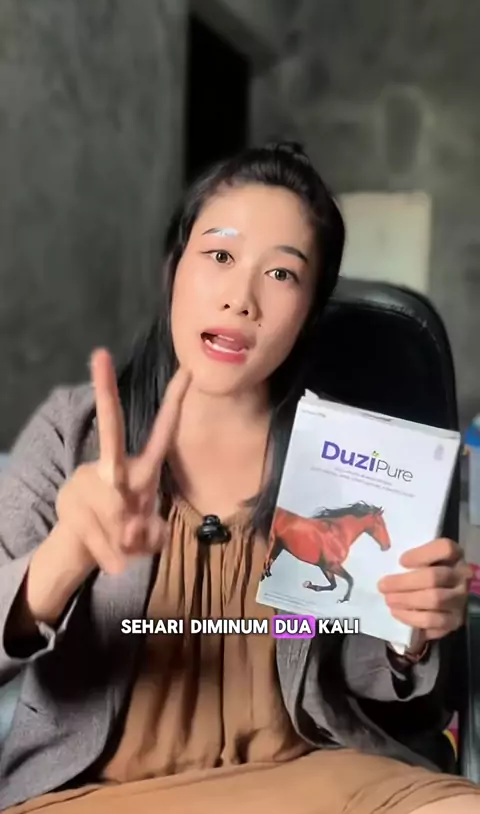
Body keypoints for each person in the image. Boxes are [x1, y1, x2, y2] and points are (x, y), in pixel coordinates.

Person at [0, 142, 477, 814]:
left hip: (311, 776)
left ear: (310, 310)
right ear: (175, 268)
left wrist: (410, 632)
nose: (241, 299)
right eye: (220, 256)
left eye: (282, 274)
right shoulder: (71, 435)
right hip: (101, 794)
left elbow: (372, 686)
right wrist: (65, 556)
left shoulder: (342, 456)